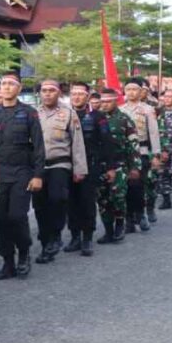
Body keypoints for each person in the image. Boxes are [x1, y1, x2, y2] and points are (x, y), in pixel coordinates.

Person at [0, 72, 44, 280]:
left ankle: (24, 254)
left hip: (21, 172)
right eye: (3, 83)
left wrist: (37, 175)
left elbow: (38, 146)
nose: (7, 87)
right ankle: (7, 261)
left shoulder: (29, 113)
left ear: (19, 88)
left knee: (17, 217)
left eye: (11, 84)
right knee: (0, 220)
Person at [33, 79, 87, 264]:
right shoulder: (32, 114)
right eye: (44, 90)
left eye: (51, 90)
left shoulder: (68, 114)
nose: (47, 94)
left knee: (57, 199)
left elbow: (77, 142)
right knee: (40, 205)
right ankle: (46, 240)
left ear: (59, 93)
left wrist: (79, 169)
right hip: (38, 166)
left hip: (60, 163)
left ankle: (56, 234)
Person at [65, 83, 114, 256]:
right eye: (74, 94)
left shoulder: (97, 116)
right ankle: (75, 236)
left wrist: (110, 167)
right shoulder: (64, 115)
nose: (77, 97)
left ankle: (87, 238)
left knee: (86, 202)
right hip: (67, 166)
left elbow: (107, 142)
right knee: (71, 203)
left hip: (90, 165)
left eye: (81, 94)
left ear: (87, 97)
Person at [95, 89, 139, 243]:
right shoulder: (95, 117)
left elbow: (133, 144)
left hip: (120, 163)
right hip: (101, 165)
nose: (104, 104)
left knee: (118, 196)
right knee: (102, 199)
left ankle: (120, 223)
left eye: (108, 101)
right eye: (102, 101)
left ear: (115, 101)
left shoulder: (124, 119)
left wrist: (134, 167)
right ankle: (108, 230)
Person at [120, 78, 161, 233]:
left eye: (134, 89)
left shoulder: (147, 110)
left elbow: (154, 133)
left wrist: (155, 155)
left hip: (142, 152)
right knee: (126, 187)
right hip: (124, 154)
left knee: (139, 186)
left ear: (140, 92)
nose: (131, 92)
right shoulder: (120, 110)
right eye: (128, 89)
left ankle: (141, 213)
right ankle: (128, 218)